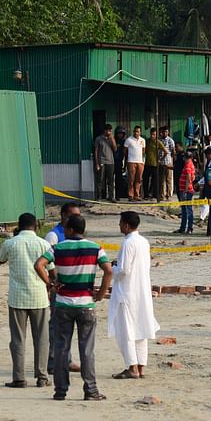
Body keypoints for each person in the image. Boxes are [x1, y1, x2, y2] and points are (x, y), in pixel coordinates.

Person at [34, 214, 112, 401]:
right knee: (87, 349)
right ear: (83, 230)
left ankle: (60, 390)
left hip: (63, 304)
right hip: (86, 304)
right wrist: (100, 294)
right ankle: (90, 390)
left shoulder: (58, 248)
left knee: (62, 347)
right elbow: (108, 270)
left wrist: (51, 284)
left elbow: (39, 265)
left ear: (69, 230)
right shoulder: (95, 248)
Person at [0, 213, 51, 388]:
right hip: (39, 297)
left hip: (17, 298)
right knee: (42, 338)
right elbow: (52, 269)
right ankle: (42, 376)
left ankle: (19, 378)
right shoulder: (44, 244)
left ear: (18, 226)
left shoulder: (10, 243)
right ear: (35, 226)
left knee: (18, 339)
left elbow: (0, 260)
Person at [109, 212, 160, 379]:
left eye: (120, 223)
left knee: (127, 330)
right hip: (141, 291)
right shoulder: (143, 242)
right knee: (141, 328)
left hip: (127, 292)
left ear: (126, 225)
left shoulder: (128, 243)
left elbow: (124, 270)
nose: (118, 226)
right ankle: (141, 366)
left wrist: (112, 268)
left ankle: (132, 367)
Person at [44, 203, 81, 374]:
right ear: (63, 216)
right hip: (58, 287)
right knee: (56, 325)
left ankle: (67, 359)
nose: (76, 218)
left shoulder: (77, 233)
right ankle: (53, 361)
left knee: (69, 325)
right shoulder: (54, 235)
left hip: (73, 287)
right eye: (72, 214)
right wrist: (51, 283)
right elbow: (45, 263)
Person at [93, 124, 117, 202]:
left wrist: (112, 139)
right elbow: (96, 151)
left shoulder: (111, 138)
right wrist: (97, 163)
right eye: (108, 130)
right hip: (101, 161)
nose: (109, 132)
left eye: (110, 131)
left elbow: (115, 149)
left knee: (111, 180)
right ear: (105, 130)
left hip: (110, 162)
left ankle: (111, 196)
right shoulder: (98, 139)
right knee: (100, 180)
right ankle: (99, 196)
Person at [176, 151, 196, 235]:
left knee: (187, 210)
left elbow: (188, 178)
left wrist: (185, 189)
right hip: (186, 189)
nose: (184, 159)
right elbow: (193, 177)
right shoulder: (191, 165)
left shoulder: (188, 165)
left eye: (185, 157)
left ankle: (189, 228)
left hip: (186, 191)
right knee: (184, 210)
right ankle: (183, 228)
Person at [123, 126, 145, 201]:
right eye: (135, 131)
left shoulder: (143, 140)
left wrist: (141, 160)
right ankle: (130, 195)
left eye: (138, 131)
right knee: (131, 179)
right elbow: (125, 151)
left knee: (138, 179)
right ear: (133, 131)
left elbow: (143, 151)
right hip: (131, 161)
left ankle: (137, 195)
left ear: (140, 132)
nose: (136, 133)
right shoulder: (129, 140)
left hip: (140, 162)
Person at [143, 127, 164, 201]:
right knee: (145, 179)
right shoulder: (147, 141)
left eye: (154, 134)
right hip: (147, 163)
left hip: (155, 164)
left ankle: (154, 195)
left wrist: (160, 159)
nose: (153, 136)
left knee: (155, 181)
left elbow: (166, 151)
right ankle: (146, 194)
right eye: (152, 134)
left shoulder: (158, 142)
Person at [159, 126, 175, 201]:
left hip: (168, 162)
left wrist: (173, 162)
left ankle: (168, 195)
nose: (164, 133)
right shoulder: (159, 140)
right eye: (163, 132)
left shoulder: (170, 140)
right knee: (161, 180)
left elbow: (173, 151)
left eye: (166, 132)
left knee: (169, 180)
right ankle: (162, 195)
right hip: (161, 162)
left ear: (168, 132)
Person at [114, 126, 128, 200]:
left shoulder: (124, 142)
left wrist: (125, 165)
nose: (120, 135)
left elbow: (126, 154)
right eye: (119, 133)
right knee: (109, 179)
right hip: (112, 161)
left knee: (118, 179)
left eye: (122, 133)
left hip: (119, 161)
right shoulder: (113, 140)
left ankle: (118, 195)